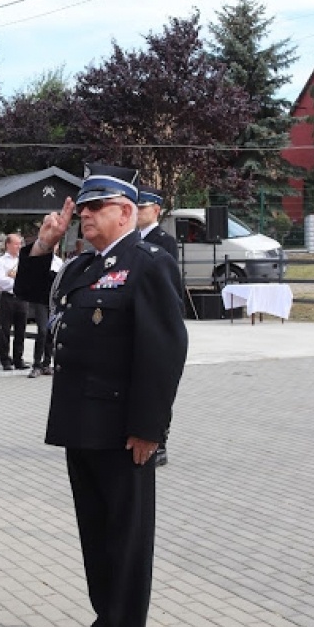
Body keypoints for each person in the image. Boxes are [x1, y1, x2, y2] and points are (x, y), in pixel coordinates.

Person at [15, 163, 187, 627]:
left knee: (127, 535)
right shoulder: (83, 266)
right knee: (95, 530)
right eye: (82, 208)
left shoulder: (148, 263)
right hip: (79, 421)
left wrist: (149, 430)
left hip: (122, 428)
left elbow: (164, 351)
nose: (84, 215)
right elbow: (31, 294)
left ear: (125, 212)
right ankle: (103, 620)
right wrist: (43, 244)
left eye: (95, 207)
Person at [137, 188, 180, 466]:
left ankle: (160, 440)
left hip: (155, 317)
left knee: (158, 382)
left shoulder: (164, 241)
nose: (138, 212)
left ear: (156, 210)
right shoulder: (130, 240)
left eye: (143, 207)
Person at [0, 233, 29, 370]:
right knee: (5, 330)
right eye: (16, 244)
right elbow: (1, 281)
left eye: (20, 243)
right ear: (8, 244)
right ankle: (5, 359)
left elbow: (27, 279)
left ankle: (18, 359)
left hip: (22, 298)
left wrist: (15, 278)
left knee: (21, 330)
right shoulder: (1, 261)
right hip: (8, 298)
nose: (19, 246)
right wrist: (16, 280)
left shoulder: (24, 260)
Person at [28, 245, 64, 378]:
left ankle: (47, 363)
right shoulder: (38, 260)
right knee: (42, 330)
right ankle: (36, 364)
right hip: (40, 300)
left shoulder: (59, 262)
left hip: (53, 300)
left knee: (50, 331)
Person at [137, 189, 179, 261]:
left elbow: (168, 270)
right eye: (135, 208)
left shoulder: (166, 241)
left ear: (156, 210)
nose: (136, 212)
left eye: (141, 208)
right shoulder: (134, 238)